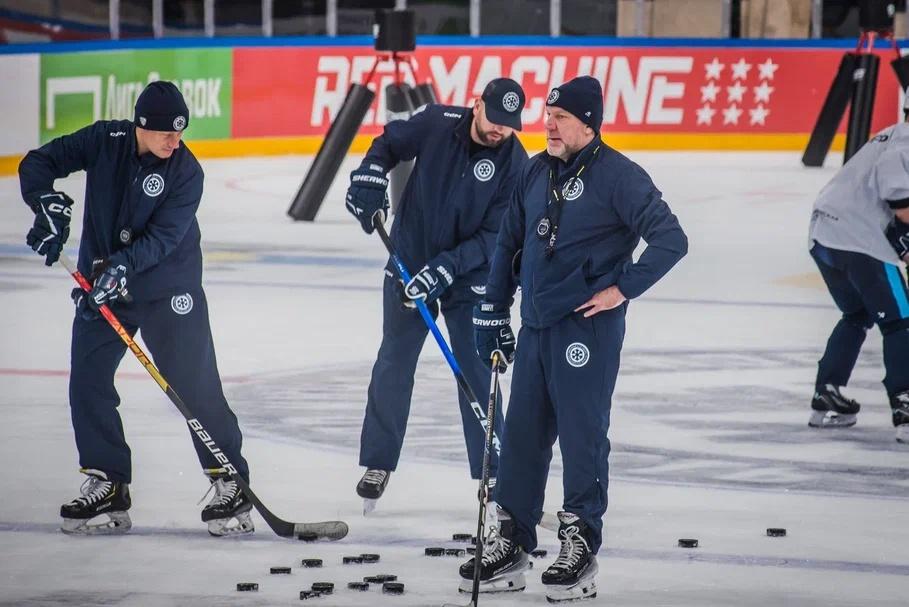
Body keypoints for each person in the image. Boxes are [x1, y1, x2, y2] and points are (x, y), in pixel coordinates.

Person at [459, 76, 688, 602]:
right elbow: (507, 246)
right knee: (523, 435)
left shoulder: (621, 177)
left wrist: (621, 290)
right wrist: (493, 310)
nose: (549, 125)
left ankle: (579, 540)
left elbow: (671, 240)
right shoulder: (535, 172)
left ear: (588, 123)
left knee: (583, 436)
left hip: (587, 328)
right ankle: (513, 539)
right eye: (548, 114)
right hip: (537, 328)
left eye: (560, 118)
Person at [18, 81, 254, 536]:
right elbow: (40, 162)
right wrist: (42, 203)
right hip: (103, 287)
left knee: (194, 384)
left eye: (181, 132)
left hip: (169, 288)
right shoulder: (104, 141)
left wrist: (121, 268)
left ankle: (230, 478)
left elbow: (164, 239)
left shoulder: (187, 172)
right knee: (88, 381)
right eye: (166, 132)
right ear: (140, 127)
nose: (175, 140)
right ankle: (108, 481)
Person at [344, 78, 529, 511]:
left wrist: (447, 268)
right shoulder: (436, 122)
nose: (500, 131)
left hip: (469, 277)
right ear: (476, 104)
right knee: (394, 361)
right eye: (495, 120)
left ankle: (495, 475)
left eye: (510, 125)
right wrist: (371, 174)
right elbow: (389, 143)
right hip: (411, 260)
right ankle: (378, 462)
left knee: (478, 371)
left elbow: (496, 237)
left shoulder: (516, 165)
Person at [805, 91, 909, 443]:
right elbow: (902, 206)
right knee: (901, 321)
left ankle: (827, 395)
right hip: (858, 240)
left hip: (825, 237)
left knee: (858, 313)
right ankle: (906, 404)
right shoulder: (905, 143)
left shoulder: (892, 134)